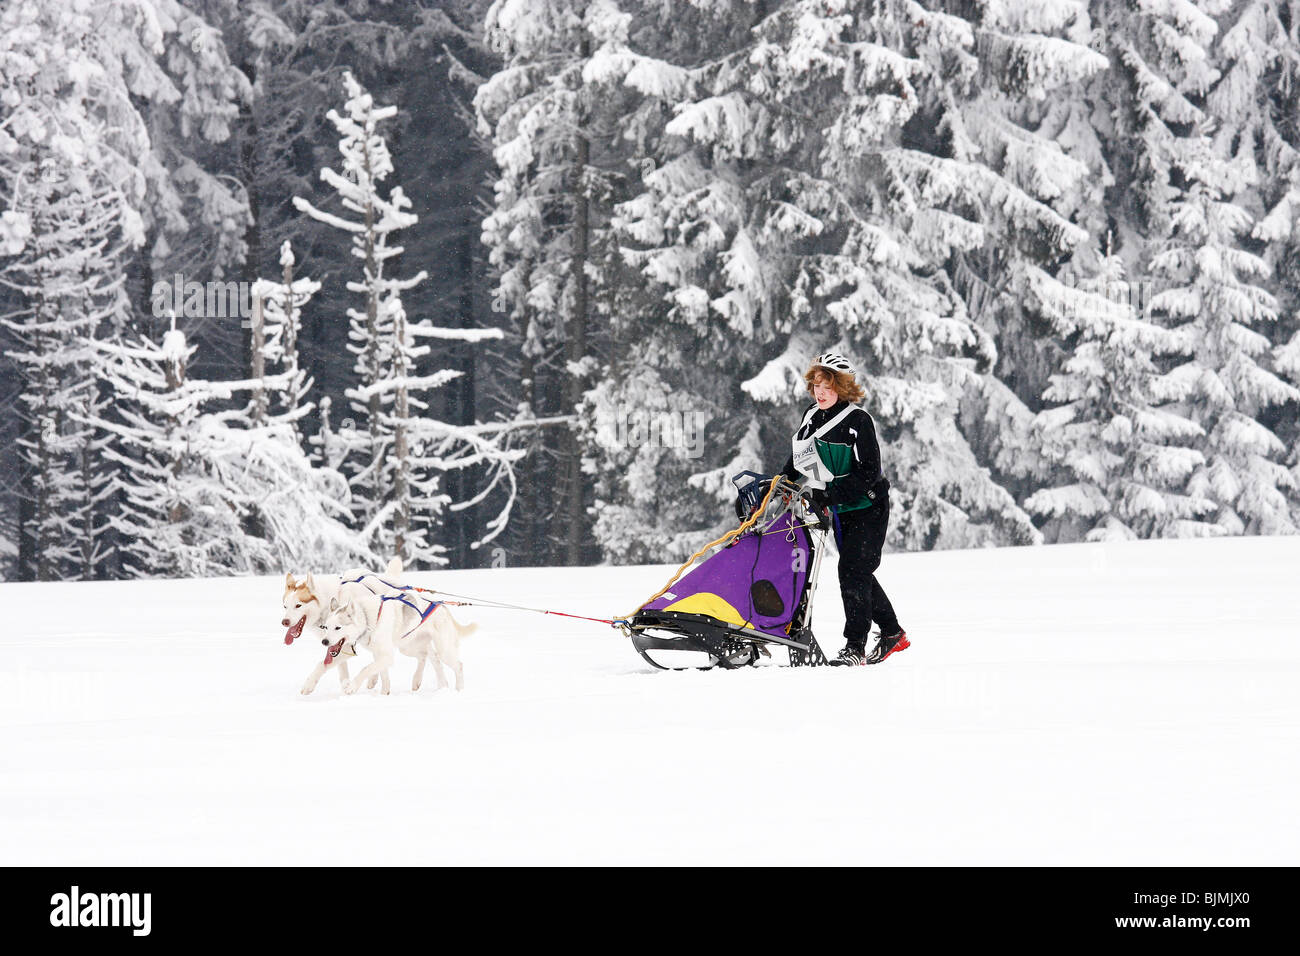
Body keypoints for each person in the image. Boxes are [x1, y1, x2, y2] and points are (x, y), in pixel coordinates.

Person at [774, 352, 909, 666]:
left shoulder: (858, 421)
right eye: (817, 385)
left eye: (828, 386)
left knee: (852, 571)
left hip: (869, 508)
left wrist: (827, 495)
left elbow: (868, 474)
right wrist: (782, 483)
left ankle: (855, 647)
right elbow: (800, 459)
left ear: (843, 388)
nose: (820, 392)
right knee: (856, 572)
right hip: (839, 511)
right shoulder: (811, 416)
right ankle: (892, 633)